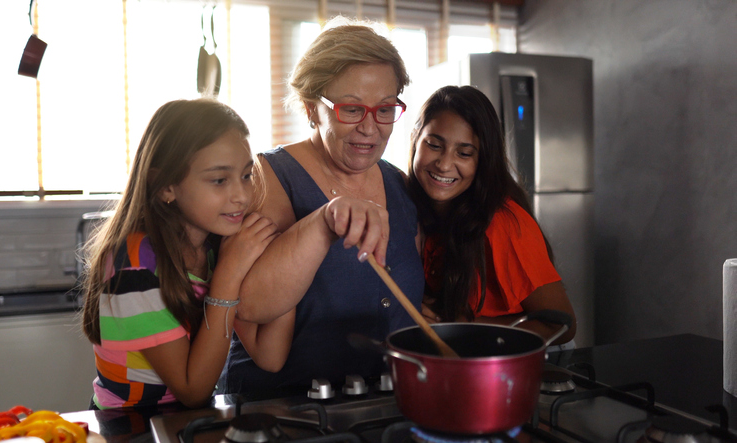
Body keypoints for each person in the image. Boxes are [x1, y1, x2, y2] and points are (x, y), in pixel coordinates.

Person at [217, 18, 424, 394]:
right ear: (312, 108)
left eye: (385, 109)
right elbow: (247, 304)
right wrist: (323, 223)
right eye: (351, 109)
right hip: (276, 409)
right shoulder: (266, 176)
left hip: (376, 407)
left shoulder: (401, 186)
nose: (370, 127)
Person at [81, 98, 294, 409]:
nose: (242, 195)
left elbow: (270, 355)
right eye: (219, 180)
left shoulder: (217, 246)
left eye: (247, 175)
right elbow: (192, 390)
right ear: (166, 186)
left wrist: (283, 258)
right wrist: (230, 273)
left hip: (182, 422)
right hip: (129, 426)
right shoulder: (134, 266)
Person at [407, 85, 577, 344]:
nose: (443, 164)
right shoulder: (410, 205)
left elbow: (562, 325)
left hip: (526, 361)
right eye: (434, 145)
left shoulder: (504, 224)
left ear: (483, 161)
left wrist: (460, 325)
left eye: (464, 153)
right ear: (415, 140)